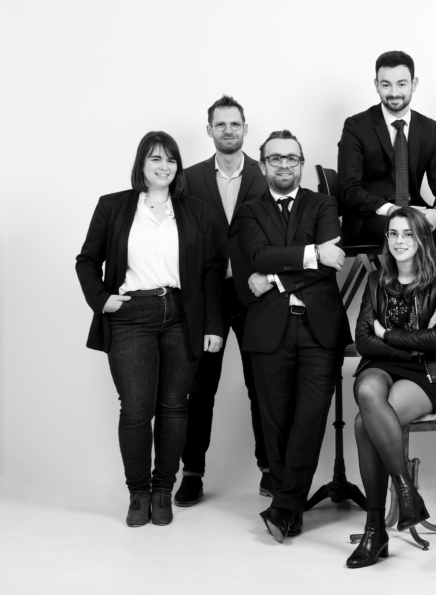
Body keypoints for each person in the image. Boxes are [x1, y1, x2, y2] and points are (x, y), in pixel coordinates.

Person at [75, 131, 224, 527]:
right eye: (155, 158)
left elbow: (210, 271)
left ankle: (162, 492)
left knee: (174, 407)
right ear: (141, 164)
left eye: (171, 160)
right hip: (130, 315)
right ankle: (138, 494)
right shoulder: (113, 206)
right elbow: (86, 260)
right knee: (136, 408)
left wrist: (213, 325)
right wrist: (101, 299)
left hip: (181, 315)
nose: (164, 166)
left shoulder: (194, 210)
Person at [230, 130, 352, 542]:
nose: (284, 165)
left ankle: (284, 506)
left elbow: (331, 264)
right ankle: (290, 509)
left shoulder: (324, 204)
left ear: (301, 163)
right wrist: (313, 252)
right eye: (275, 158)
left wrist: (274, 279)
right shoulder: (248, 212)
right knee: (275, 422)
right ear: (263, 164)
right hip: (268, 330)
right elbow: (258, 255)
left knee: (309, 418)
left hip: (319, 330)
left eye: (291, 158)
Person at [338, 50, 436, 346]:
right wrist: (394, 211)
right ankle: (411, 331)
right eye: (386, 84)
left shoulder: (428, 128)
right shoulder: (356, 125)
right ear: (376, 85)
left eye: (401, 83)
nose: (394, 92)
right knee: (404, 228)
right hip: (370, 220)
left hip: (418, 218)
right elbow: (350, 190)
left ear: (414, 84)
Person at [346, 207, 436, 569]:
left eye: (408, 233)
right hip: (382, 366)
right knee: (367, 391)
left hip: (425, 373)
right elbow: (363, 340)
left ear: (422, 238)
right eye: (393, 233)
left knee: (364, 423)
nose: (399, 241)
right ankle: (407, 490)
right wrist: (413, 342)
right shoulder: (376, 279)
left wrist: (388, 334)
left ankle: (374, 531)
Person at [175, 95, 272, 507]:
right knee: (200, 391)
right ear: (209, 129)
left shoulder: (265, 173)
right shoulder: (189, 178)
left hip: (255, 293)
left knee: (261, 387)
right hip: (207, 296)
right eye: (221, 124)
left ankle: (270, 470)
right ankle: (192, 473)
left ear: (245, 129)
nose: (228, 131)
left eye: (235, 124)